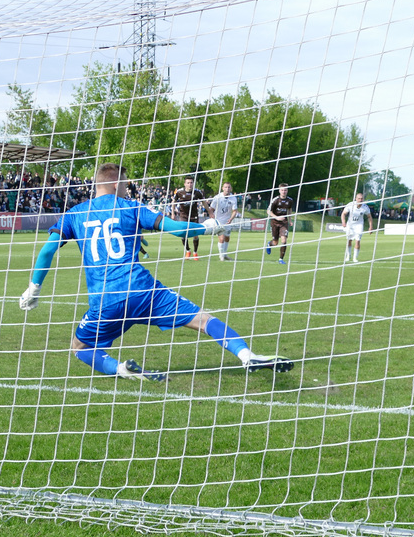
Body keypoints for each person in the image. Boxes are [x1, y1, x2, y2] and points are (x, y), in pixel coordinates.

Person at [19, 163, 293, 382]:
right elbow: (176, 229)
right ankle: (247, 355)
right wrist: (209, 228)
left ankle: (119, 369)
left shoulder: (75, 213)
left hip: (105, 301)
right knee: (203, 320)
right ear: (115, 183)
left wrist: (34, 289)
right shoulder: (131, 207)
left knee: (80, 348)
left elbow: (46, 251)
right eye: (126, 184)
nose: (128, 189)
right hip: (142, 291)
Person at [171, 175, 207, 260]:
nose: (190, 184)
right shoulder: (179, 192)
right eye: (188, 183)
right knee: (183, 234)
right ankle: (188, 251)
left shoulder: (197, 192)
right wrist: (173, 213)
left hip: (194, 216)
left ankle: (195, 252)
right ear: (185, 184)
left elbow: (204, 202)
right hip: (183, 216)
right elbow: (173, 202)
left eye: (191, 183)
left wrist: (210, 212)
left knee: (195, 235)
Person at [207, 181, 240, 261]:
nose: (227, 189)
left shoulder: (233, 198)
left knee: (227, 238)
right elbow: (211, 209)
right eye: (225, 187)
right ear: (222, 188)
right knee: (221, 238)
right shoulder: (217, 197)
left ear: (231, 188)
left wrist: (231, 219)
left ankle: (224, 254)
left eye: (229, 187)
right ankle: (221, 256)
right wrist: (212, 216)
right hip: (218, 221)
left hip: (227, 222)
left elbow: (234, 211)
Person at [341, 192, 374, 263]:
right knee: (349, 240)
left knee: (357, 240)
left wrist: (370, 227)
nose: (360, 200)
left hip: (359, 225)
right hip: (350, 225)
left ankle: (355, 258)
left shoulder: (365, 207)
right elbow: (343, 214)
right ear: (356, 199)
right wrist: (343, 222)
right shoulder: (350, 205)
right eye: (359, 198)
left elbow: (369, 217)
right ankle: (348, 255)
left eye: (361, 199)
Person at [266, 183, 295, 265]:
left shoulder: (290, 200)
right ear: (279, 191)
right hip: (275, 222)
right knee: (275, 243)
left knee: (284, 240)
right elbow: (268, 211)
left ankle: (281, 259)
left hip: (284, 223)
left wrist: (290, 220)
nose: (283, 192)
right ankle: (269, 244)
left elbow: (289, 210)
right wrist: (276, 217)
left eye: (285, 190)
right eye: (282, 190)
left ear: (287, 191)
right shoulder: (275, 200)